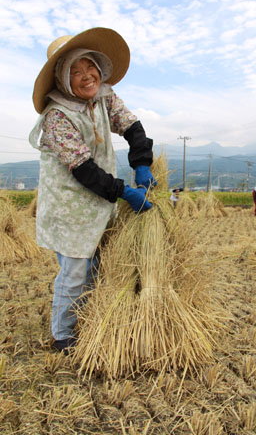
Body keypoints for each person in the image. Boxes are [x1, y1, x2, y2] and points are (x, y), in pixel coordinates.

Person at [29, 27, 157, 354]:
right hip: (71, 206)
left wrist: (142, 162)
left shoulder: (104, 96)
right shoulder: (57, 117)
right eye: (75, 71)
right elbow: (85, 170)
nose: (86, 77)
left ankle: (88, 320)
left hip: (101, 200)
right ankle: (63, 337)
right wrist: (125, 191)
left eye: (90, 68)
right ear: (61, 78)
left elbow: (132, 126)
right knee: (74, 272)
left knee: (99, 265)